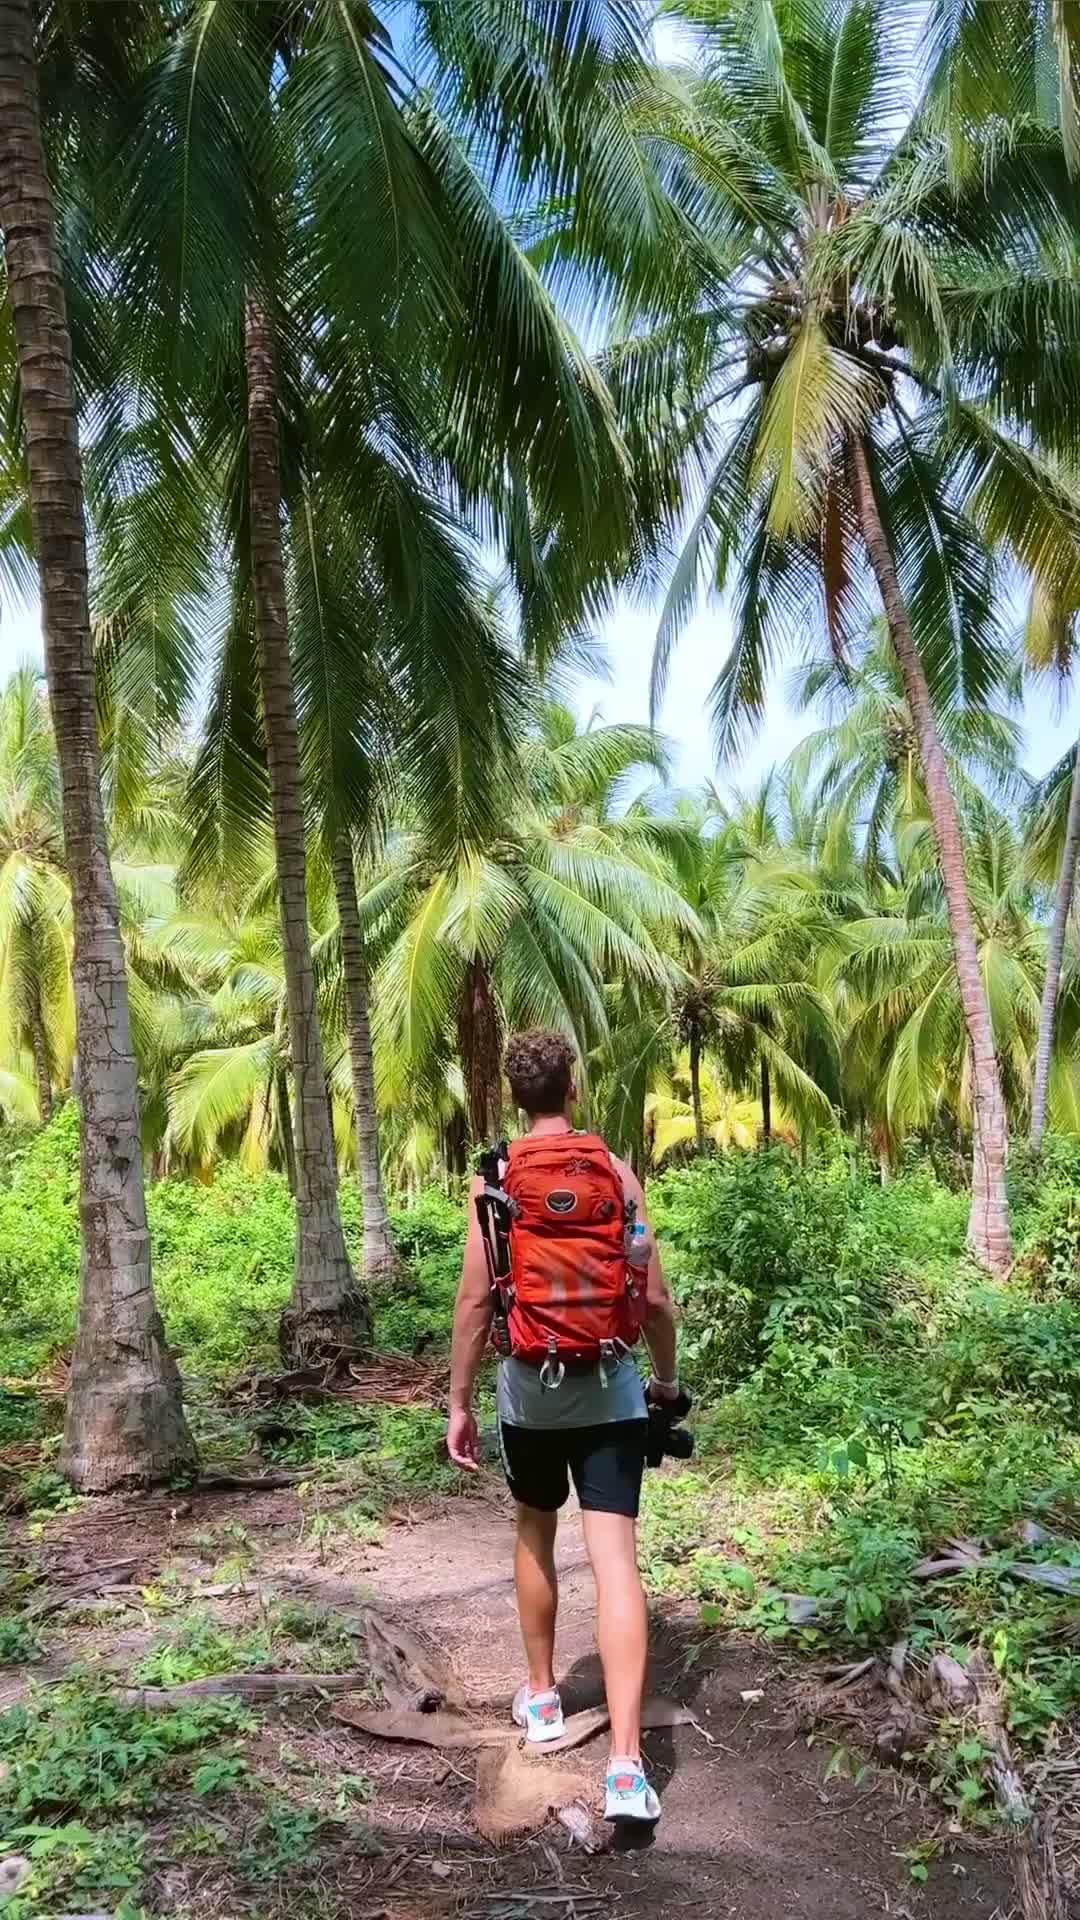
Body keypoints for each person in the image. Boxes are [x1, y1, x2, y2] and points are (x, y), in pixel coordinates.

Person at [447, 1028, 679, 1826]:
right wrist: (667, 1380)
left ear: (516, 1095)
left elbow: (478, 1304)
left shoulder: (496, 1183)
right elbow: (651, 1299)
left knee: (535, 1531)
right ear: (572, 1089)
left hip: (531, 1394)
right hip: (611, 1388)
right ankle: (624, 1769)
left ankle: (542, 1699)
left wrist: (459, 1401)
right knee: (616, 1564)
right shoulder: (616, 1172)